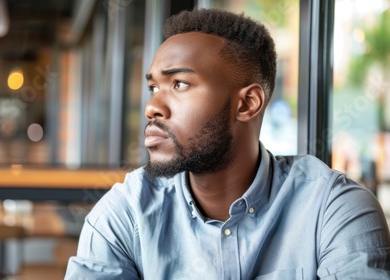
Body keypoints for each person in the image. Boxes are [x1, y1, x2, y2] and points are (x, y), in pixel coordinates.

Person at [65, 9, 390, 279]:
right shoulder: (128, 213)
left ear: (247, 104)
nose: (152, 107)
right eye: (154, 87)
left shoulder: (332, 208)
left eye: (179, 84)